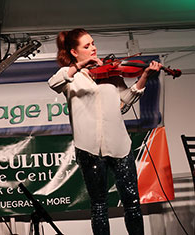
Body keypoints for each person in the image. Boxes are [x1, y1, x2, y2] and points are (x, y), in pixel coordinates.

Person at [48, 28, 162, 235]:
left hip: (119, 144)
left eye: (93, 43)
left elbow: (126, 100)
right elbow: (53, 82)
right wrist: (79, 66)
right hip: (89, 147)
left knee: (133, 202)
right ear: (74, 52)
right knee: (99, 205)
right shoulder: (71, 78)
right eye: (87, 46)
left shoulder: (110, 72)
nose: (93, 48)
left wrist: (144, 76)